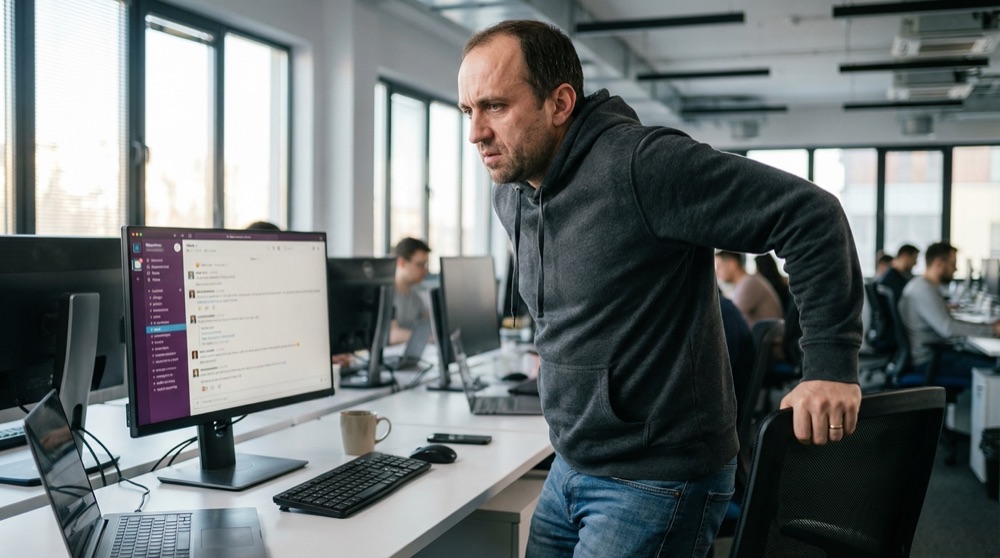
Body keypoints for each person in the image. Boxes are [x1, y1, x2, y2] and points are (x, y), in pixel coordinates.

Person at [458, 20, 862, 557]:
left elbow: (811, 217)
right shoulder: (512, 193)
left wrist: (831, 366)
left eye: (495, 107)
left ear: (560, 103)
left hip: (657, 478)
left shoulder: (641, 166)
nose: (476, 133)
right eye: (468, 111)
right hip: (571, 463)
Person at [898, 242, 999, 380]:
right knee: (993, 366)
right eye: (953, 264)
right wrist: (993, 330)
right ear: (939, 263)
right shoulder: (923, 290)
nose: (956, 269)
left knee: (985, 357)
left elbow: (947, 324)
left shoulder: (921, 285)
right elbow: (948, 328)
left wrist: (988, 327)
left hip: (933, 354)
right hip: (929, 360)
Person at [715, 250, 784, 328]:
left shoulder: (749, 283)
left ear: (732, 265)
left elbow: (728, 314)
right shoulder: (745, 283)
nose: (717, 272)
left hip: (767, 334)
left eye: (719, 267)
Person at [389, 237, 431, 345]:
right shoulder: (386, 294)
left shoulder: (416, 294)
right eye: (420, 265)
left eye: (425, 265)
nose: (425, 270)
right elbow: (391, 334)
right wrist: (427, 337)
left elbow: (426, 322)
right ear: (402, 262)